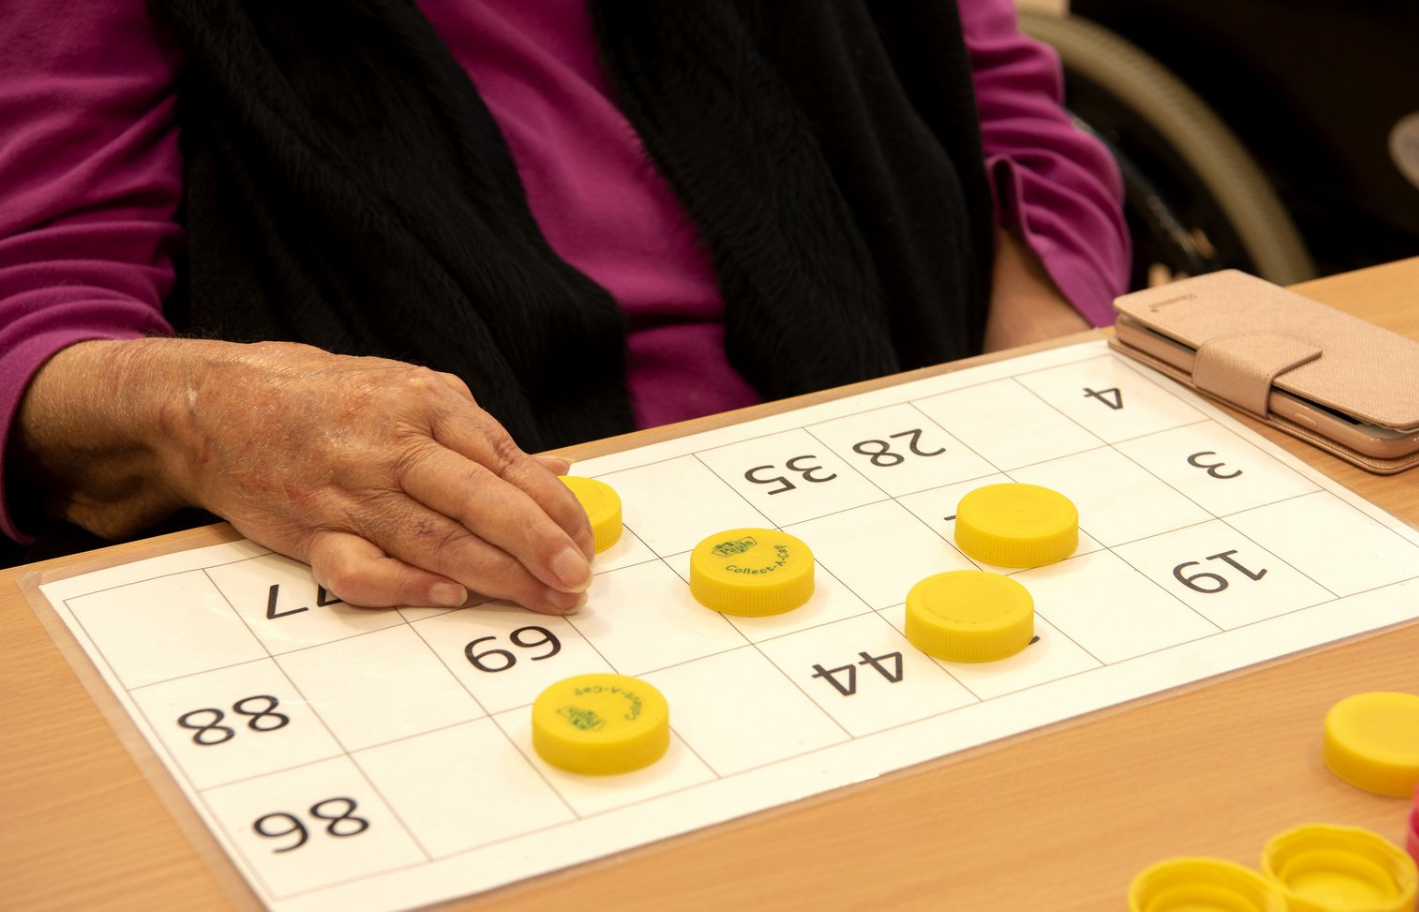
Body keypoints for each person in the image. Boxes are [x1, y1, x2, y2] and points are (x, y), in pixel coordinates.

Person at [0, 0, 1129, 612]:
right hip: (456, 579)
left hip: (896, 492)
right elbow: (37, 306)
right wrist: (198, 408)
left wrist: (1029, 395)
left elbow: (995, 110)